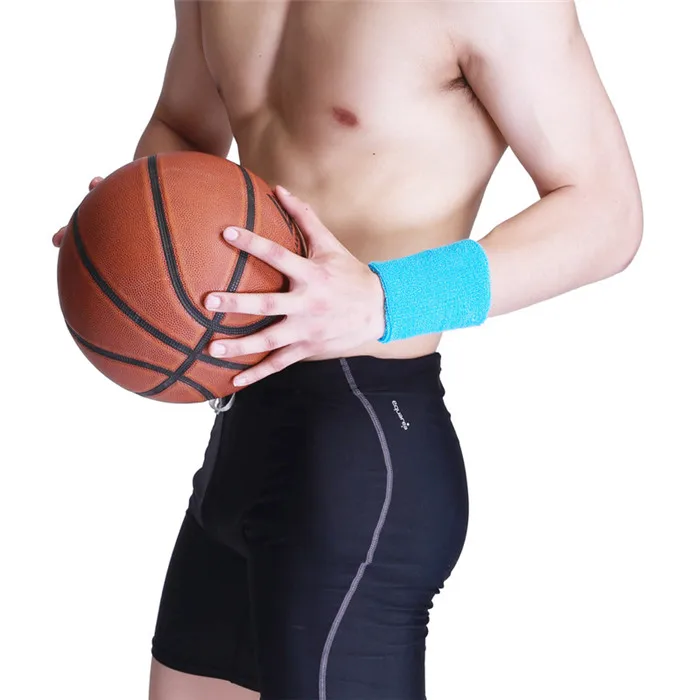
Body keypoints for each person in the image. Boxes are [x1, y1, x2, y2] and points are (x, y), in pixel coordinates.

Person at [52, 2, 642, 699]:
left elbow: (608, 214)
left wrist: (386, 300)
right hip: (241, 429)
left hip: (362, 451)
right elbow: (183, 124)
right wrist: (132, 229)